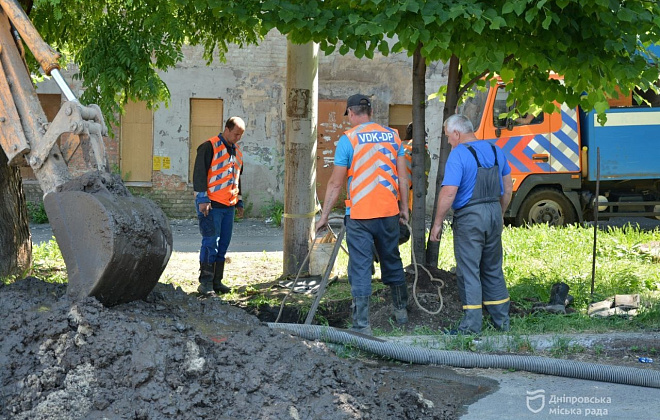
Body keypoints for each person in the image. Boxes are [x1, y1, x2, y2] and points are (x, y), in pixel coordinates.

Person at [315, 94, 409, 335]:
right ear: (371, 112)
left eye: (349, 116)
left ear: (351, 114)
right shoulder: (393, 136)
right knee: (392, 258)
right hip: (389, 212)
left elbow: (336, 184)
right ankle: (401, 314)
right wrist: (404, 209)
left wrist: (324, 216)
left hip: (360, 215)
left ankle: (362, 325)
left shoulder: (349, 139)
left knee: (360, 266)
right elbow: (402, 176)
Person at [429, 114, 513, 334]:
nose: (449, 141)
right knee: (493, 268)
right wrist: (500, 213)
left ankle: (471, 326)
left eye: (448, 137)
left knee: (469, 270)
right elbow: (508, 187)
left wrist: (437, 223)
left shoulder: (458, 155)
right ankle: (502, 322)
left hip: (470, 217)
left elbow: (448, 193)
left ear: (457, 133)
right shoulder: (496, 150)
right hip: (494, 212)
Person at [193, 116, 246, 296]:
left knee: (223, 244)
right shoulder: (209, 146)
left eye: (241, 135)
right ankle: (205, 283)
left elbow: (237, 178)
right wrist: (202, 199)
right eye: (236, 134)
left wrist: (239, 201)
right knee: (210, 243)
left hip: (228, 206)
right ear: (227, 129)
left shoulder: (237, 152)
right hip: (211, 204)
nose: (238, 138)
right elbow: (199, 174)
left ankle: (217, 282)